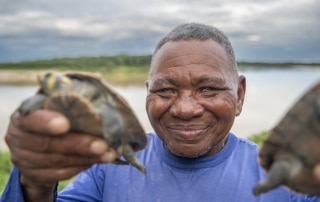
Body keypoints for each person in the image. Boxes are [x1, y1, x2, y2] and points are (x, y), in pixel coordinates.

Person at [1, 23, 319, 202]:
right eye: (165, 90)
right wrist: (34, 182)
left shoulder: (289, 180)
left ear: (239, 95)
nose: (184, 109)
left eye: (208, 88)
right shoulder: (108, 167)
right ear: (147, 92)